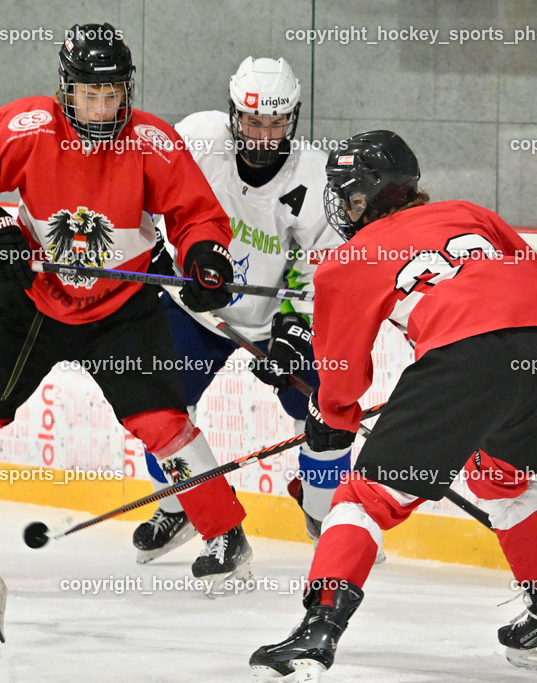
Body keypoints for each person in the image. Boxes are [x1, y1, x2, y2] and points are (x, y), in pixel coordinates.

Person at [0, 22, 252, 592]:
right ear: (66, 89)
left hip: (123, 307)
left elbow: (196, 214)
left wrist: (206, 255)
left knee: (163, 421)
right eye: (90, 94)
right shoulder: (26, 127)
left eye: (112, 94)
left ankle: (225, 533)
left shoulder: (150, 140)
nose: (102, 109)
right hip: (31, 300)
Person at [249, 130, 537, 679]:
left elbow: (341, 372)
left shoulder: (350, 257)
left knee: (363, 499)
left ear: (365, 196)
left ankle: (316, 633)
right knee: (503, 480)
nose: (342, 206)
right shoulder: (471, 214)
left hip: (466, 365)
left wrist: (330, 417)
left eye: (347, 195)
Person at [131, 56, 352, 564]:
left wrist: (295, 329)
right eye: (253, 121)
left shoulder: (314, 175)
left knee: (327, 411)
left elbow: (319, 265)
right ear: (234, 114)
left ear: (293, 118)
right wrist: (152, 250)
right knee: (161, 403)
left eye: (276, 122)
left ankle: (331, 519)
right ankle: (184, 506)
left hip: (278, 318)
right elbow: (141, 191)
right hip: (195, 306)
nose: (264, 135)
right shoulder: (197, 139)